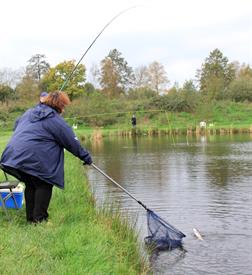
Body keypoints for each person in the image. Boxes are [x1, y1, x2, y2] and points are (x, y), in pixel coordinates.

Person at [0, 91, 92, 224]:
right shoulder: (55, 120)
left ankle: (31, 219)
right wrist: (86, 157)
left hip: (12, 156)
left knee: (31, 183)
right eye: (63, 106)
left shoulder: (29, 113)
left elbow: (16, 126)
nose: (64, 110)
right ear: (60, 106)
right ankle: (40, 219)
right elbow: (71, 141)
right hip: (31, 157)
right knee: (44, 183)